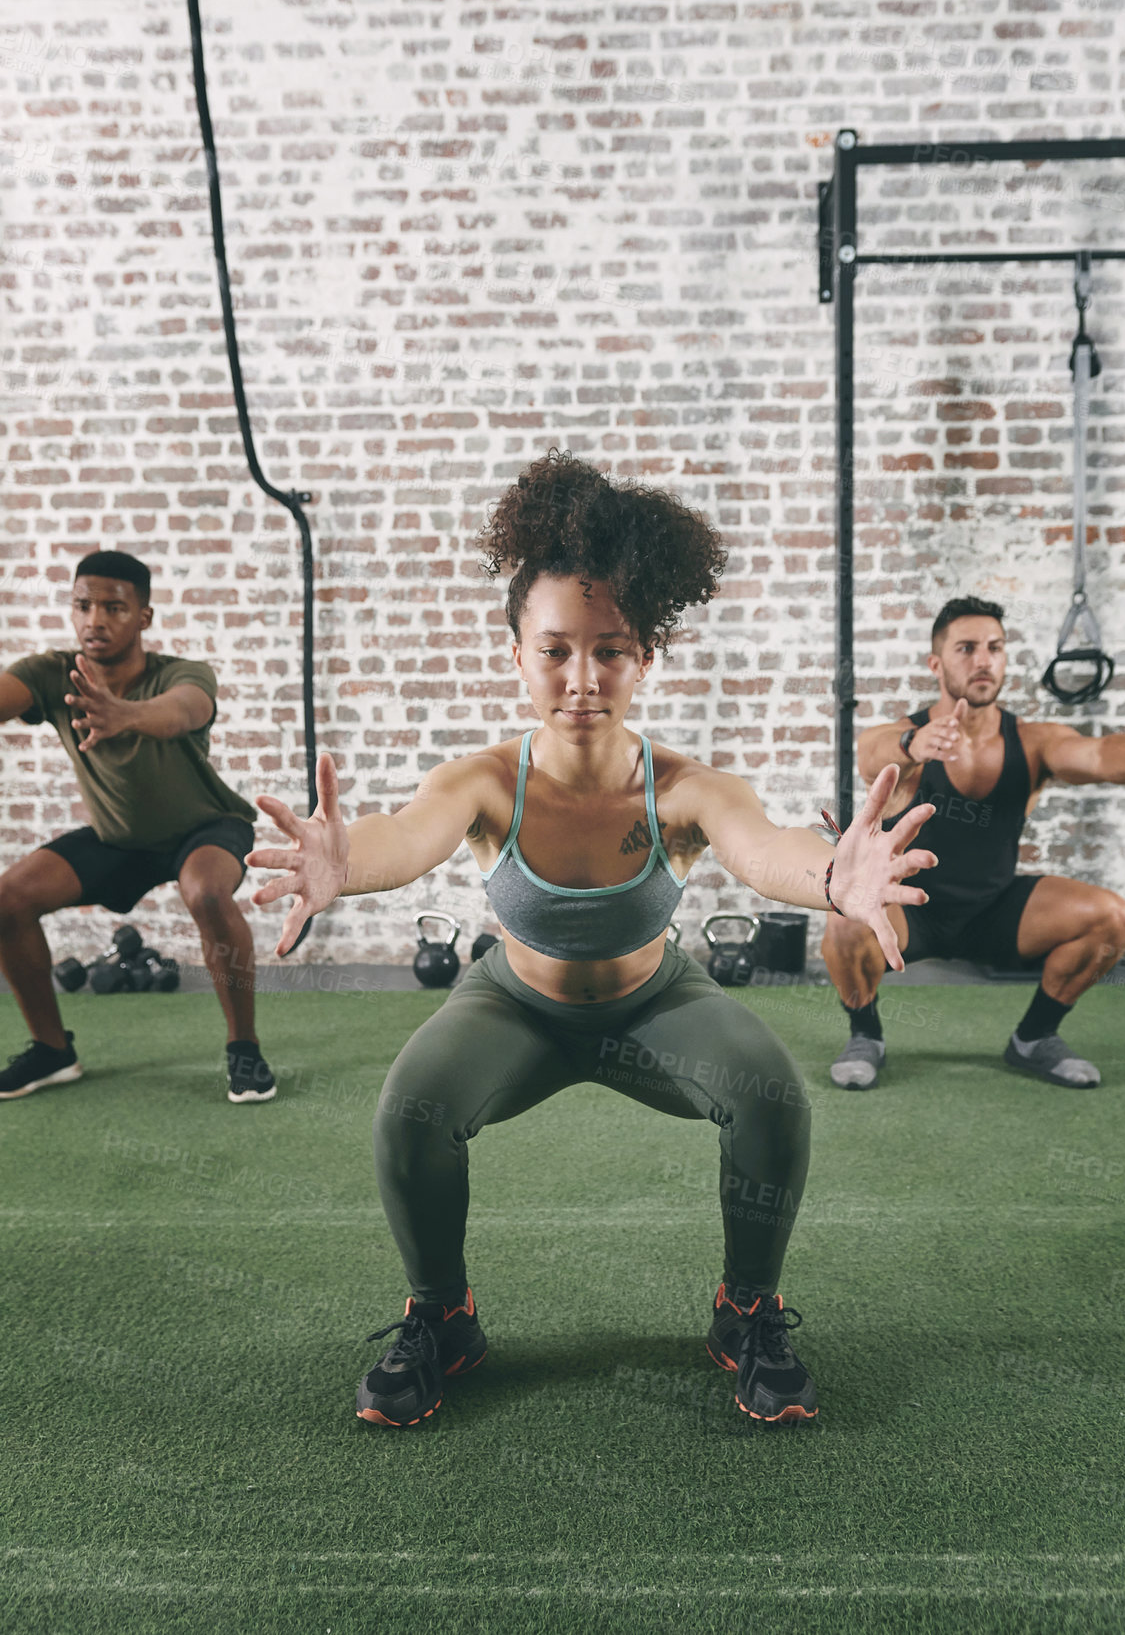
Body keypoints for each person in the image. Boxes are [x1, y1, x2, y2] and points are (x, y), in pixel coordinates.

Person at [248, 451, 937, 1428]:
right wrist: (340, 862)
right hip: (513, 1006)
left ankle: (747, 1310)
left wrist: (834, 875)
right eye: (556, 649)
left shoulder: (685, 786)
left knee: (773, 1097)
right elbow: (406, 836)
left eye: (609, 649)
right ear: (517, 653)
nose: (582, 677)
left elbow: (764, 846)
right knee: (408, 1111)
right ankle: (441, 1316)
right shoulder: (484, 778)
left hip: (656, 1001)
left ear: (643, 657)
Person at [824, 595, 1125, 1092]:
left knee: (1112, 918)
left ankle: (1034, 1039)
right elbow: (872, 754)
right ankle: (866, 1037)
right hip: (912, 912)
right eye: (967, 648)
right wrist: (915, 745)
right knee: (842, 917)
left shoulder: (1036, 740)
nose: (983, 660)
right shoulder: (907, 736)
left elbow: (1102, 755)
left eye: (995, 648)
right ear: (936, 663)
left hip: (997, 909)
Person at [0, 549, 276, 1104]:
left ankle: (243, 1049)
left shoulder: (181, 673)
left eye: (113, 607)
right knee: (7, 899)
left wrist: (124, 715)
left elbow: (184, 711)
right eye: (83, 605)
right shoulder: (53, 675)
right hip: (118, 839)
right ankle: (54, 1051)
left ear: (143, 616)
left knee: (207, 894)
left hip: (206, 829)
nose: (94, 620)